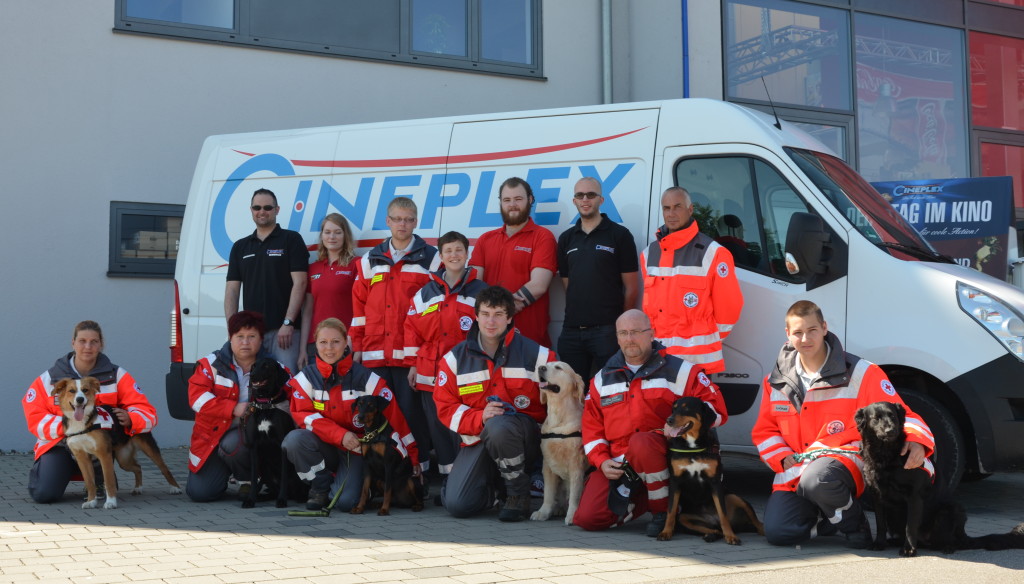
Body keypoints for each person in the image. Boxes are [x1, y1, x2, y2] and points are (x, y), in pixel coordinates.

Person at [752, 300, 935, 547]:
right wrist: (781, 455)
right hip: (795, 472)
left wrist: (916, 441)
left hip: (844, 464)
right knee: (780, 533)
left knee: (818, 480)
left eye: (812, 330)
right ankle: (830, 518)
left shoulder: (861, 372)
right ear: (788, 334)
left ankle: (853, 523)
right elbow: (765, 431)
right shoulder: (775, 381)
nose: (805, 338)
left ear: (825, 328)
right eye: (798, 332)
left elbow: (901, 413)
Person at [575, 309, 727, 534]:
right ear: (616, 338)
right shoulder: (601, 379)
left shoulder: (681, 371)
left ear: (651, 333)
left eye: (636, 332)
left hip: (666, 455)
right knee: (588, 519)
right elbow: (592, 429)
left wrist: (681, 426)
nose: (630, 339)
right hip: (620, 464)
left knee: (642, 443)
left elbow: (717, 411)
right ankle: (643, 498)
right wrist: (601, 461)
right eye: (624, 333)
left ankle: (662, 512)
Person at [433, 285, 555, 522]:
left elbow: (559, 402)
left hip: (525, 442)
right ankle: (495, 489)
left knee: (500, 425)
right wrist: (479, 417)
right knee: (458, 505)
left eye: (499, 314)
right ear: (476, 316)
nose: (491, 321)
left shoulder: (539, 356)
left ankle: (517, 494)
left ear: (509, 318)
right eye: (486, 314)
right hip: (478, 439)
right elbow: (445, 408)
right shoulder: (454, 360)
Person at [282, 318, 419, 511]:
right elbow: (303, 415)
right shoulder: (306, 378)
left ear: (346, 342)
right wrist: (340, 435)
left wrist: (412, 456)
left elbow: (396, 419)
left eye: (335, 342)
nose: (329, 348)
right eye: (323, 342)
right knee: (294, 440)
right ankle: (320, 487)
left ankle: (366, 489)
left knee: (348, 503)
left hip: (357, 451)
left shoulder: (368, 379)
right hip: (326, 445)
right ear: (315, 344)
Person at [23, 320, 159, 504]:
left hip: (99, 446)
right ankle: (48, 472)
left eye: (94, 341)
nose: (88, 346)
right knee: (44, 494)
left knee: (98, 445)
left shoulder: (117, 375)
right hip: (59, 444)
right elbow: (34, 417)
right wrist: (71, 428)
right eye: (82, 341)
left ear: (101, 344)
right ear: (73, 343)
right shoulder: (50, 378)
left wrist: (131, 418)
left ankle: (103, 480)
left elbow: (146, 411)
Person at [350, 196, 439, 472]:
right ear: (387, 221)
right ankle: (382, 474)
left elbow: (436, 310)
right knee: (379, 417)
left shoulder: (432, 258)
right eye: (397, 219)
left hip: (409, 357)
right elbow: (359, 307)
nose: (403, 224)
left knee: (412, 416)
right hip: (374, 355)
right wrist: (357, 346)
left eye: (408, 219)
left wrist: (423, 354)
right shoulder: (369, 260)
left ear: (416, 222)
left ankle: (418, 472)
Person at [404, 231, 489, 479]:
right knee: (439, 428)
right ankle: (448, 481)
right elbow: (411, 329)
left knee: (464, 426)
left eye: (459, 250)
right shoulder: (425, 294)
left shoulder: (481, 292)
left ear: (467, 253)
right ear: (440, 256)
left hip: (468, 374)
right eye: (448, 251)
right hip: (430, 373)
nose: (454, 255)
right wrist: (412, 365)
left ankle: (469, 478)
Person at [640, 186, 743, 374]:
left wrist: (708, 339)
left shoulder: (713, 253)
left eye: (677, 206)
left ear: (690, 209)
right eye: (666, 208)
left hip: (696, 363)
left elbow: (729, 310)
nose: (671, 213)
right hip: (657, 359)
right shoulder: (649, 254)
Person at [556, 176, 639, 385]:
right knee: (572, 396)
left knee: (611, 393)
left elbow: (631, 288)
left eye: (591, 194)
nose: (585, 199)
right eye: (579, 195)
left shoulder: (619, 235)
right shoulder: (566, 238)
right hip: (572, 333)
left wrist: (620, 327)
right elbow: (568, 284)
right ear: (574, 200)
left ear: (601, 200)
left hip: (607, 332)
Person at [185, 310, 275, 502]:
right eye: (239, 336)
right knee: (201, 493)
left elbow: (287, 400)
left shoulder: (273, 367)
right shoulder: (210, 364)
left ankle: (248, 480)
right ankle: (226, 472)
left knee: (233, 443)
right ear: (230, 337)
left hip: (248, 438)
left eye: (252, 337)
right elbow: (196, 398)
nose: (245, 342)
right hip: (211, 438)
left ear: (261, 340)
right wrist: (233, 409)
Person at [225, 187, 309, 373]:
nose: (262, 211)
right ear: (251, 210)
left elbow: (300, 283)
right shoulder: (240, 247)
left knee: (288, 385)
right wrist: (233, 330)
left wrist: (288, 323)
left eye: (267, 207)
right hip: (252, 335)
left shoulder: (291, 240)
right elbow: (232, 290)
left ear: (277, 210)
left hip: (284, 333)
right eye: (257, 207)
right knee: (255, 386)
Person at [469, 177, 557, 347]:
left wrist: (501, 310)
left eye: (518, 199)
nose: (512, 205)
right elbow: (474, 285)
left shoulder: (542, 236)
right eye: (507, 200)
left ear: (530, 200)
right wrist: (497, 315)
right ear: (500, 203)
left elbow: (539, 285)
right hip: (490, 337)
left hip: (529, 337)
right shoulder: (485, 239)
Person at [298, 213, 359, 369]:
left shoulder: (356, 264)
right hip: (316, 344)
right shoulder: (313, 268)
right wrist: (302, 349)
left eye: (338, 232)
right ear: (322, 236)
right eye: (327, 232)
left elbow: (363, 309)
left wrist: (357, 345)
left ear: (345, 236)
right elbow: (308, 311)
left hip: (344, 344)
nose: (332, 237)